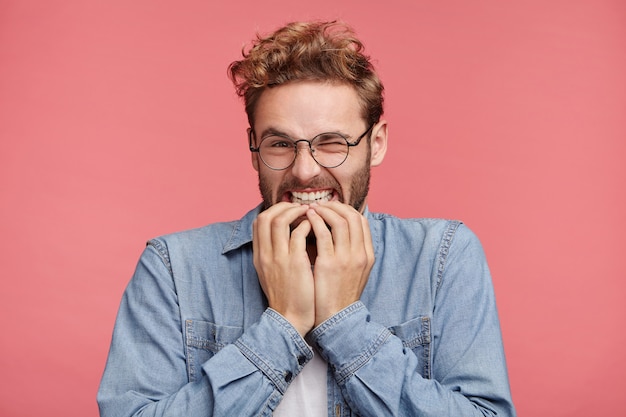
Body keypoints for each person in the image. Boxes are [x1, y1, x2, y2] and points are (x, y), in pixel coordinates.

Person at [97, 20, 516, 417]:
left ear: (377, 144)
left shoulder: (442, 258)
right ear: (254, 149)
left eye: (331, 142)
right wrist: (284, 325)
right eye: (280, 143)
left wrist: (343, 321)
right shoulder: (173, 267)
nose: (303, 170)